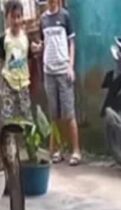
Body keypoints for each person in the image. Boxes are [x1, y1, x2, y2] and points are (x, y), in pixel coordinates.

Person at [41, 0, 81, 166]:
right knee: (54, 115)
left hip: (63, 70)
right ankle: (57, 150)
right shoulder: (42, 18)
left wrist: (70, 67)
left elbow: (72, 42)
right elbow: (44, 43)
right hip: (48, 72)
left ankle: (76, 150)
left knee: (69, 114)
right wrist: (38, 47)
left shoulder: (65, 15)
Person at [0, 0, 40, 124]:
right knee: (7, 121)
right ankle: (9, 143)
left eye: (18, 17)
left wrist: (36, 51)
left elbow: (30, 60)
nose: (16, 21)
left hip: (23, 85)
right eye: (13, 17)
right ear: (7, 18)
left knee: (26, 119)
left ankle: (26, 143)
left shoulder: (25, 38)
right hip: (8, 84)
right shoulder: (3, 39)